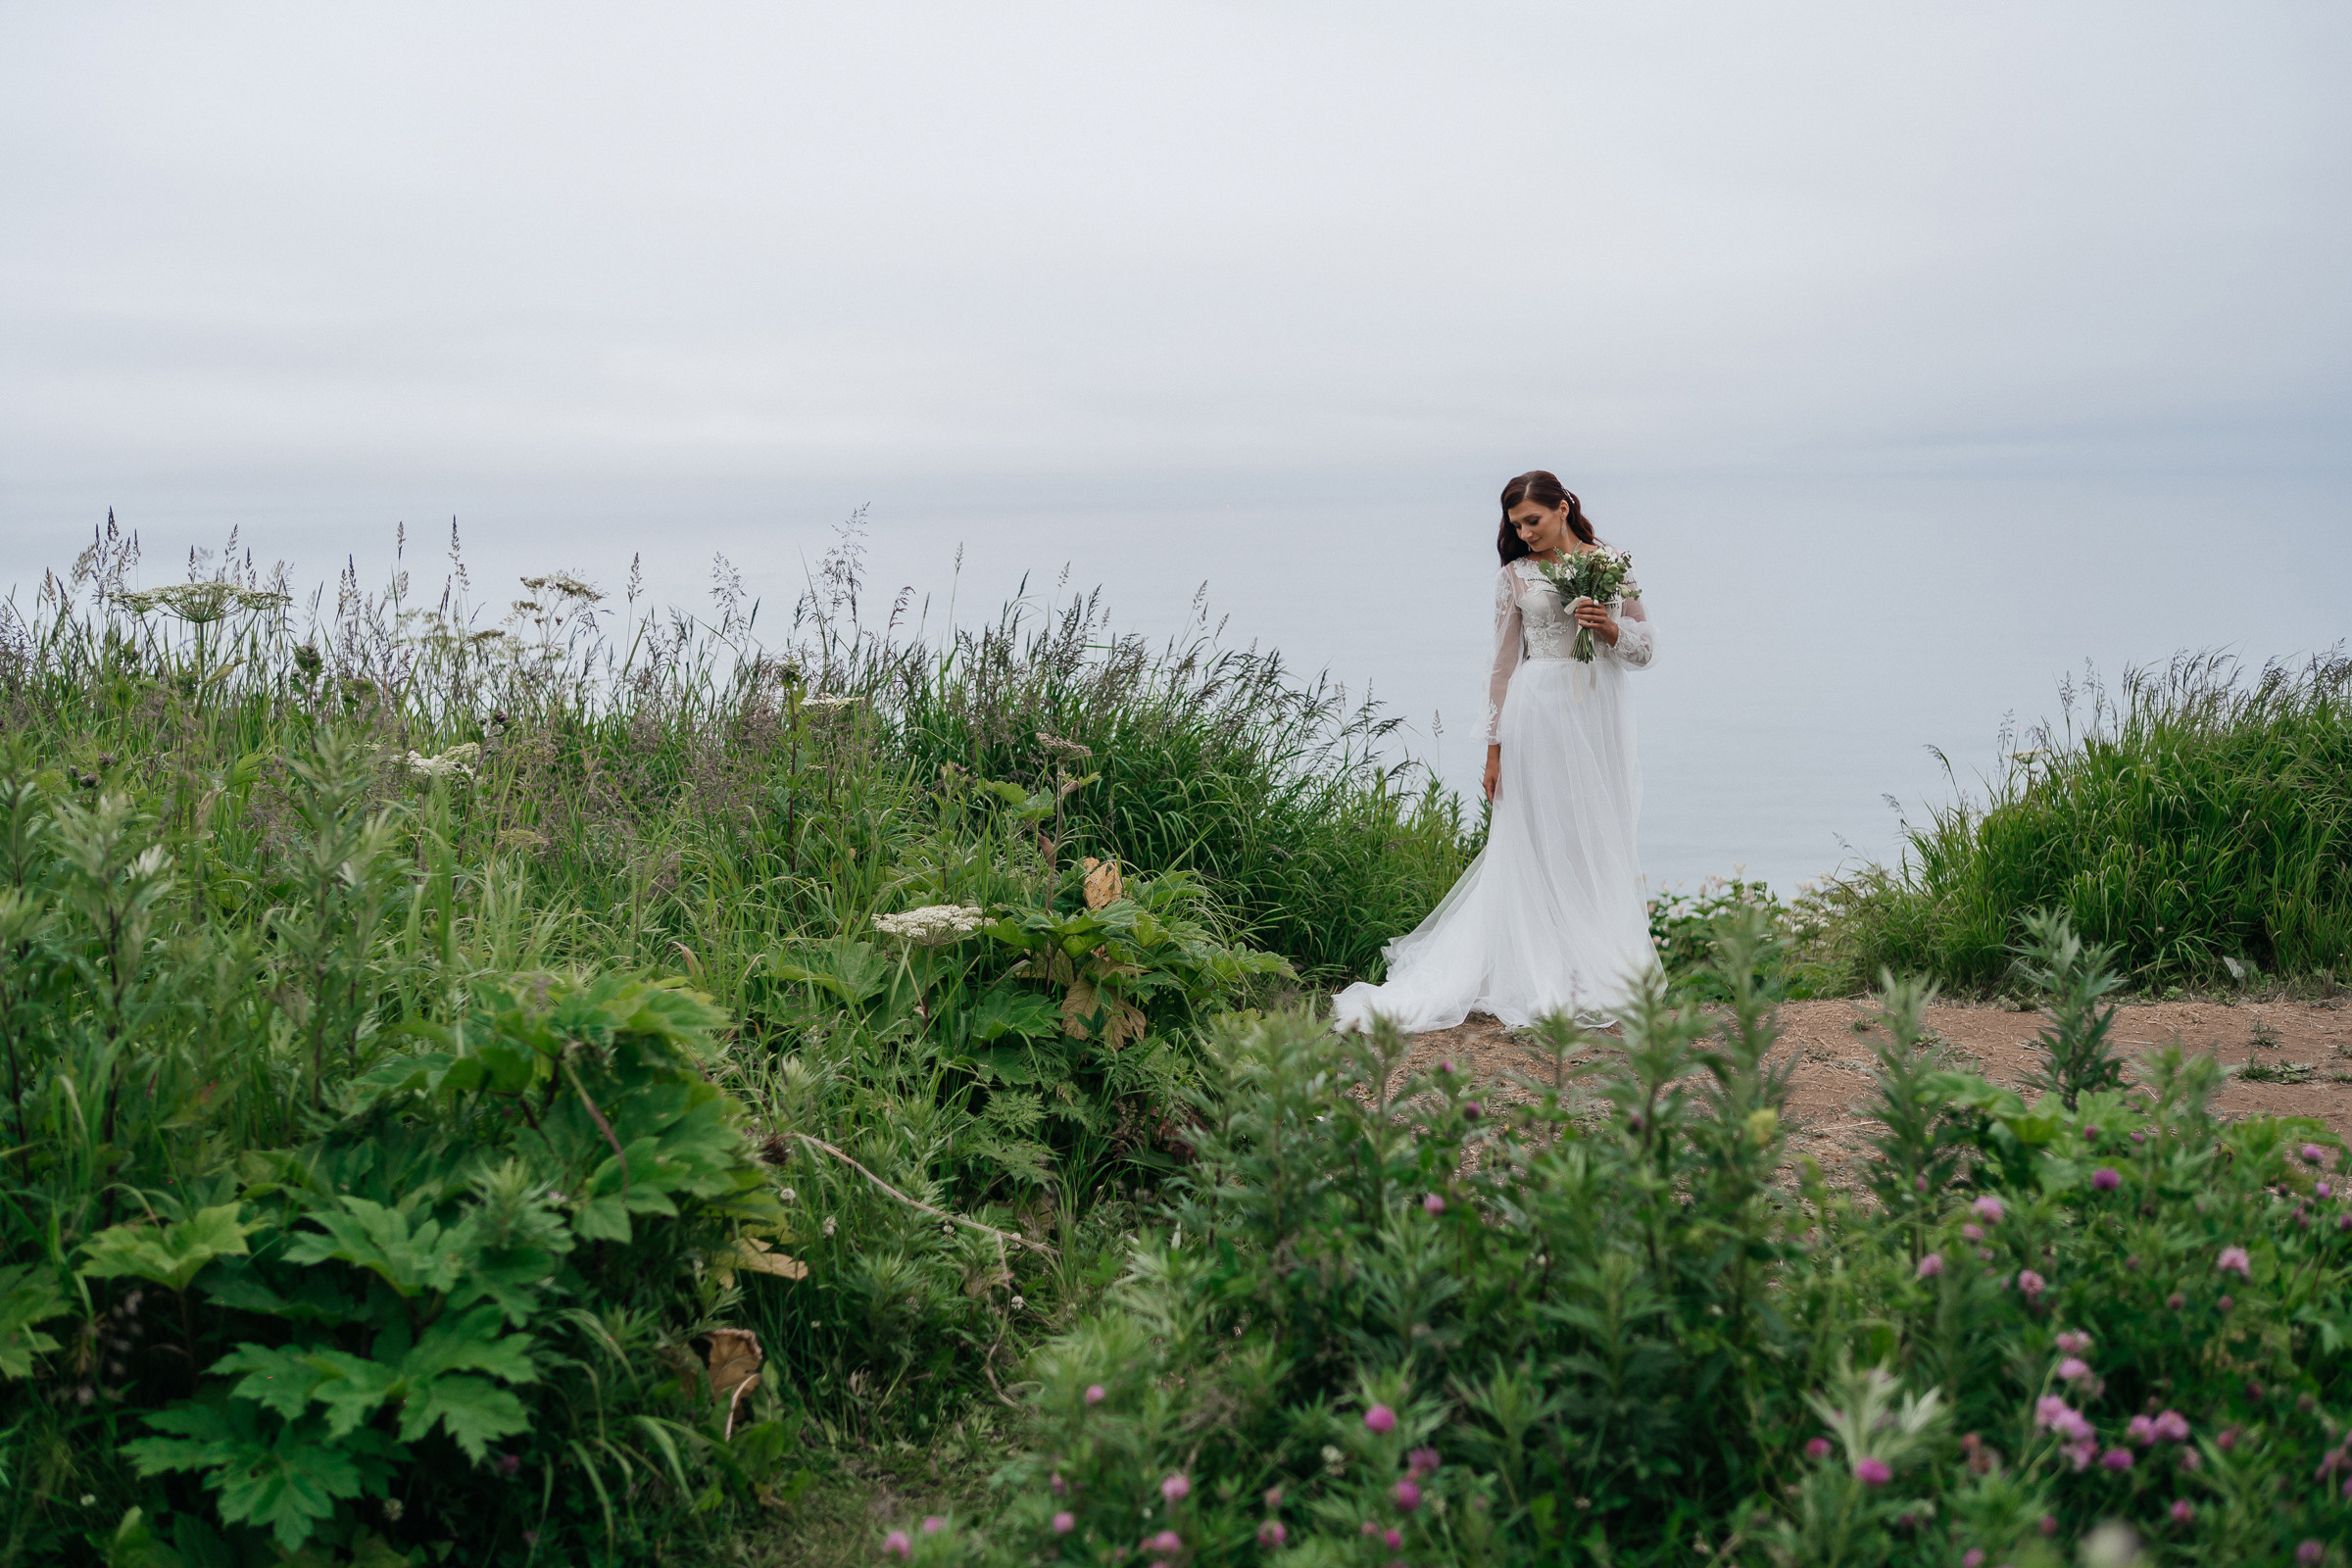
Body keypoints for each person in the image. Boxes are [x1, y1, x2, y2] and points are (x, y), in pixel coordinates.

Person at [1330, 469, 1660, 1032]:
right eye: (1516, 525)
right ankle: (1537, 968)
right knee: (1539, 834)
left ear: (1562, 507)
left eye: (1533, 520)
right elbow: (1503, 664)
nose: (1525, 533)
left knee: (1592, 834)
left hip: (1598, 712)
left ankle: (1592, 966)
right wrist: (1493, 749)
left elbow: (1645, 651)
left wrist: (1606, 627)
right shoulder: (1514, 577)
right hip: (1537, 711)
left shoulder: (1613, 563)